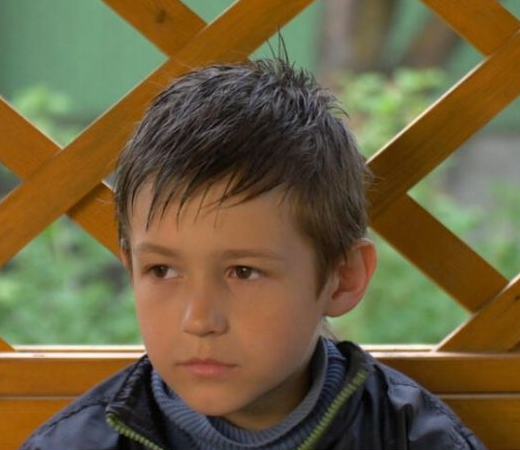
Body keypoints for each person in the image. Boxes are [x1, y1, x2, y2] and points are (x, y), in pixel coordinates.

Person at [20, 58, 487, 450]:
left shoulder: (410, 438)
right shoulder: (75, 444)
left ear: (342, 277)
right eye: (162, 270)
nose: (199, 319)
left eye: (243, 271)